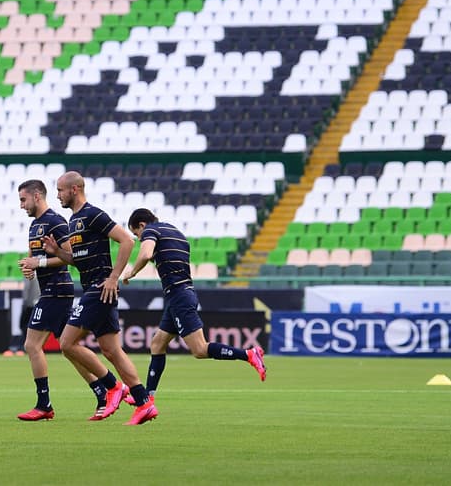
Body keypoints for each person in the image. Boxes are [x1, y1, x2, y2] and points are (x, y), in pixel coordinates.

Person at [41, 171, 156, 425]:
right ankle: (144, 402)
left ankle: (113, 387)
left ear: (75, 189)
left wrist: (114, 277)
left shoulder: (93, 214)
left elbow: (127, 241)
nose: (57, 195)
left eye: (60, 190)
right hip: (95, 288)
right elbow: (78, 261)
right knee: (112, 350)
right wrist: (57, 251)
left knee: (66, 343)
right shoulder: (74, 220)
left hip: (100, 287)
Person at [122, 208, 265, 401]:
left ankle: (248, 354)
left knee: (199, 349)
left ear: (142, 225)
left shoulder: (150, 230)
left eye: (136, 234)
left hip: (179, 296)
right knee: (157, 343)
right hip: (181, 294)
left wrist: (131, 272)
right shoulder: (177, 233)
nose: (139, 238)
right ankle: (148, 397)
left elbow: (146, 254)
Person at [14, 178, 81, 420]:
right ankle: (106, 389)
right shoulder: (34, 225)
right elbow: (33, 256)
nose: (21, 205)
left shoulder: (55, 221)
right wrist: (29, 266)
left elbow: (71, 256)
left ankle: (44, 404)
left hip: (57, 289)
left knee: (32, 345)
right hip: (51, 290)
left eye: (23, 199)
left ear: (37, 196)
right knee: (70, 348)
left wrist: (39, 263)